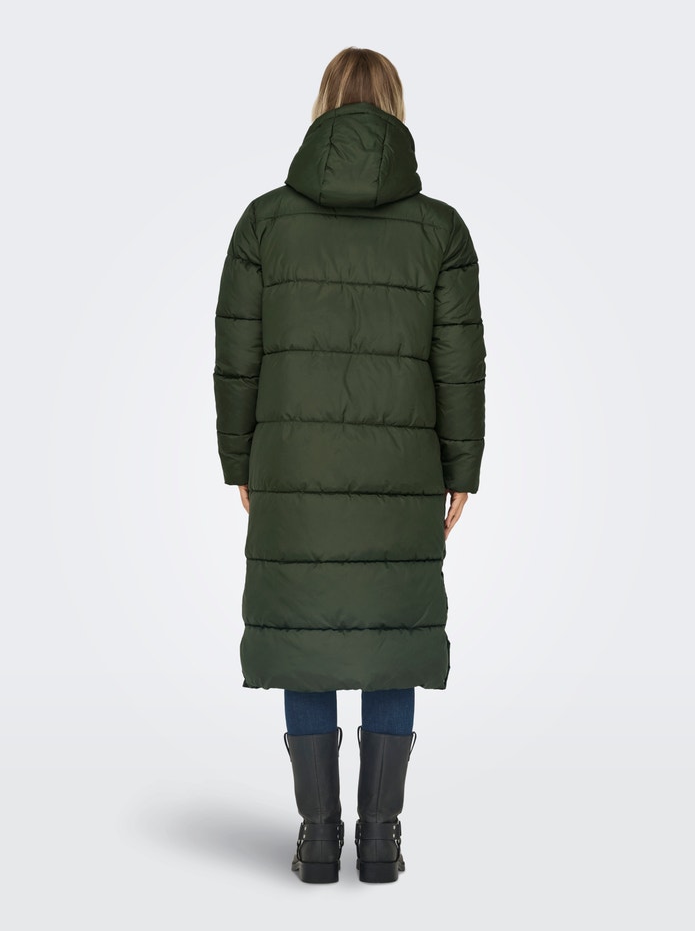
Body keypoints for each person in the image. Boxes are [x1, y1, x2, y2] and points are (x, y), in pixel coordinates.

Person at [212, 47, 486, 883]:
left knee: (307, 633)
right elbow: (459, 363)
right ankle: (381, 839)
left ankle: (319, 836)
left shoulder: (264, 223)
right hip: (403, 469)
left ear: (322, 107)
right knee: (390, 634)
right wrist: (462, 468)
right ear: (395, 109)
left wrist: (238, 459)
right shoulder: (439, 230)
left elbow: (237, 355)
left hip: (292, 466)